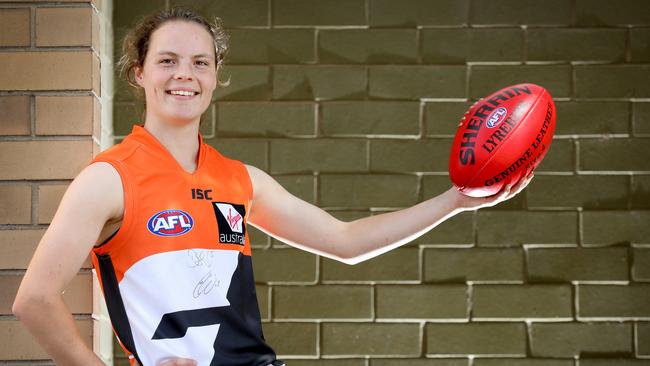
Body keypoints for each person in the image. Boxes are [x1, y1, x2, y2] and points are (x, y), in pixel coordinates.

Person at [12, 7, 533, 366]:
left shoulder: (240, 180)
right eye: (167, 61)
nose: (183, 76)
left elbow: (345, 242)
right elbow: (34, 299)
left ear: (215, 76)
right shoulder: (109, 178)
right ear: (139, 72)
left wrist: (457, 201)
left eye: (200, 62)